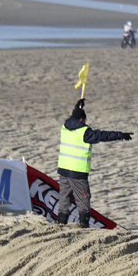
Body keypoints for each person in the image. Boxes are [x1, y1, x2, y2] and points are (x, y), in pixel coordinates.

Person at [57, 98, 133, 228]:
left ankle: (60, 224)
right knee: (83, 200)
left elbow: (72, 118)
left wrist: (77, 108)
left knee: (64, 198)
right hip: (77, 172)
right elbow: (102, 135)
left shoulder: (65, 126)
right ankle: (84, 226)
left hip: (63, 169)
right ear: (82, 120)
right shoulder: (84, 132)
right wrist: (121, 135)